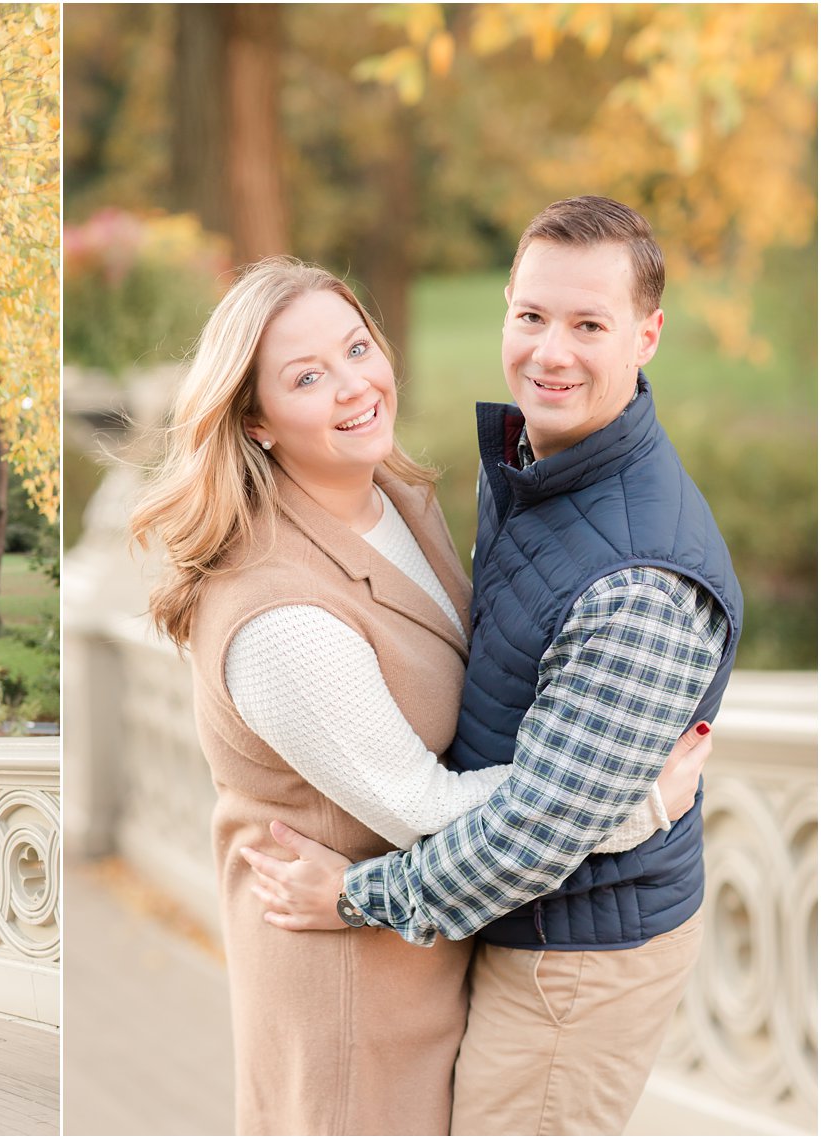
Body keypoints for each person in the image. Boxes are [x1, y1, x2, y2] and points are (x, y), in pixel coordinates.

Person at [128, 255, 710, 1135]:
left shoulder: (390, 492)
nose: (354, 384)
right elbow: (422, 805)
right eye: (307, 376)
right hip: (353, 998)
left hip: (429, 952)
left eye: (357, 347)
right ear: (255, 420)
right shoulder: (279, 615)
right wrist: (631, 799)